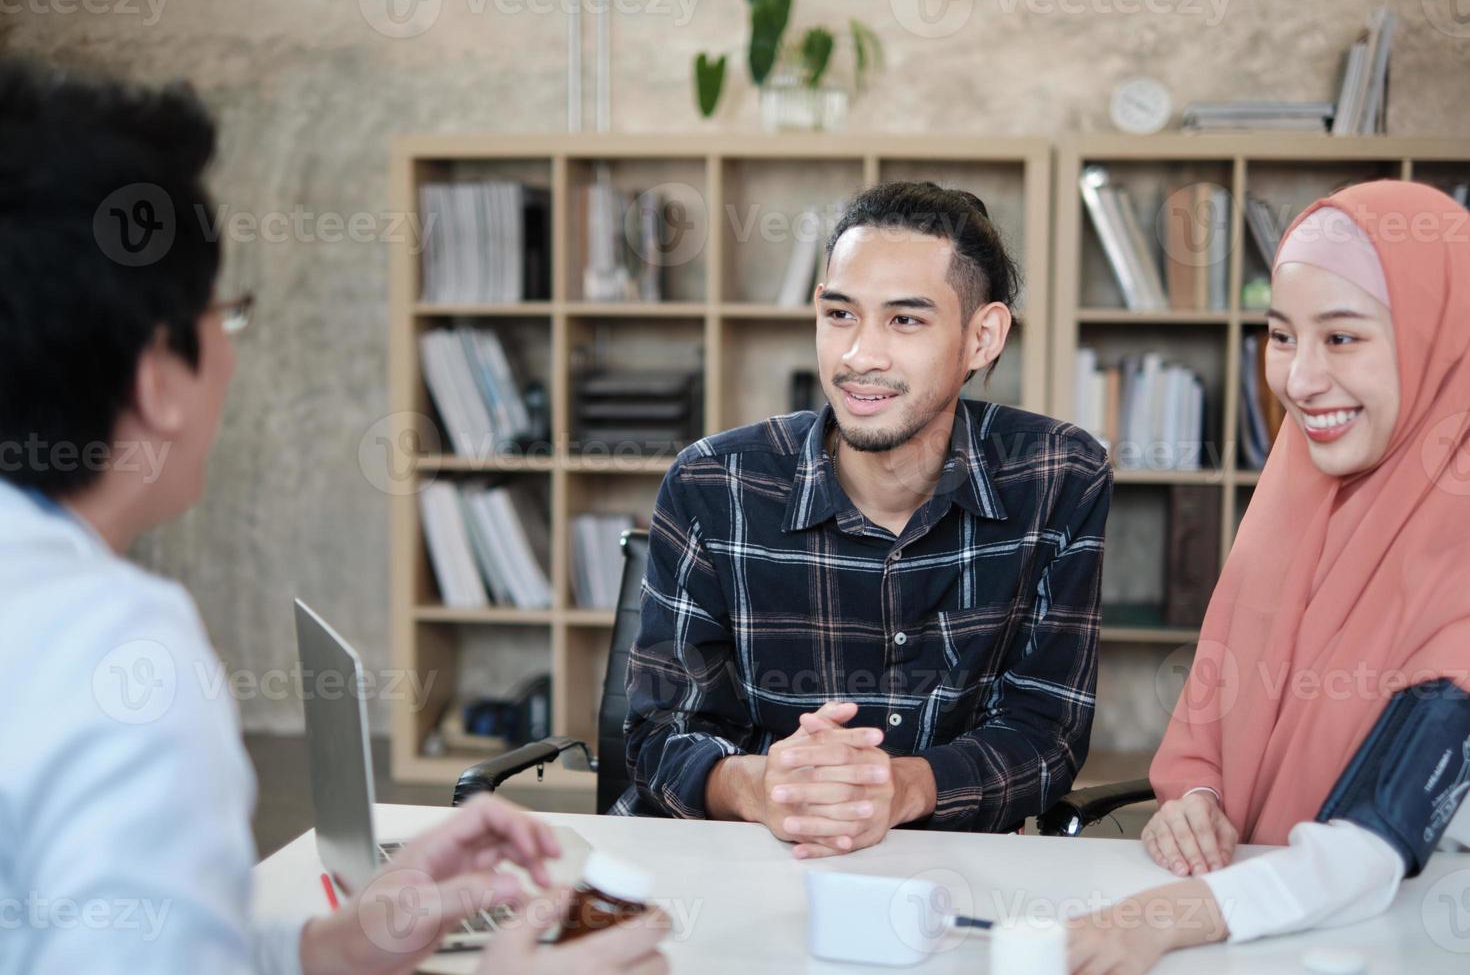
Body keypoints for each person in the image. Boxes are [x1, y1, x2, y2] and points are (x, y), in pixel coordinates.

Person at [0, 60, 669, 974]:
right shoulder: (114, 649)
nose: (230, 360)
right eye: (224, 319)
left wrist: (337, 947)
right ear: (159, 378)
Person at [618, 181, 1113, 859]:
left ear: (982, 336)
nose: (858, 357)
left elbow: (1045, 733)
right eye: (840, 314)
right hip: (747, 856)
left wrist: (903, 786)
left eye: (905, 321)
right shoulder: (714, 482)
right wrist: (763, 786)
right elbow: (656, 735)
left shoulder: (1059, 477)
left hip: (952, 867)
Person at [1066, 180, 1470, 975]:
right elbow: (1218, 721)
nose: (1299, 380)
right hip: (1266, 938)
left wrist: (1184, 913)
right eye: (1281, 336)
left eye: (1343, 338)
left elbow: (1385, 823)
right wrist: (1197, 803)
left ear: (1439, 340)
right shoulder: (1301, 489)